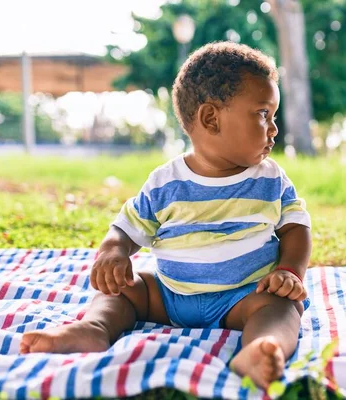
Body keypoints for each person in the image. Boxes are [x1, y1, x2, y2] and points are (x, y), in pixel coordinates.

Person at [20, 41, 312, 390]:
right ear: (210, 118)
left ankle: (261, 349)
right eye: (263, 114)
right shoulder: (165, 183)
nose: (274, 128)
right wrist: (114, 252)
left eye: (274, 116)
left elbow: (296, 227)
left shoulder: (270, 179)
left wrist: (289, 271)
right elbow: (125, 229)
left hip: (244, 296)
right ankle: (95, 329)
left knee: (281, 307)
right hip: (170, 296)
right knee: (126, 290)